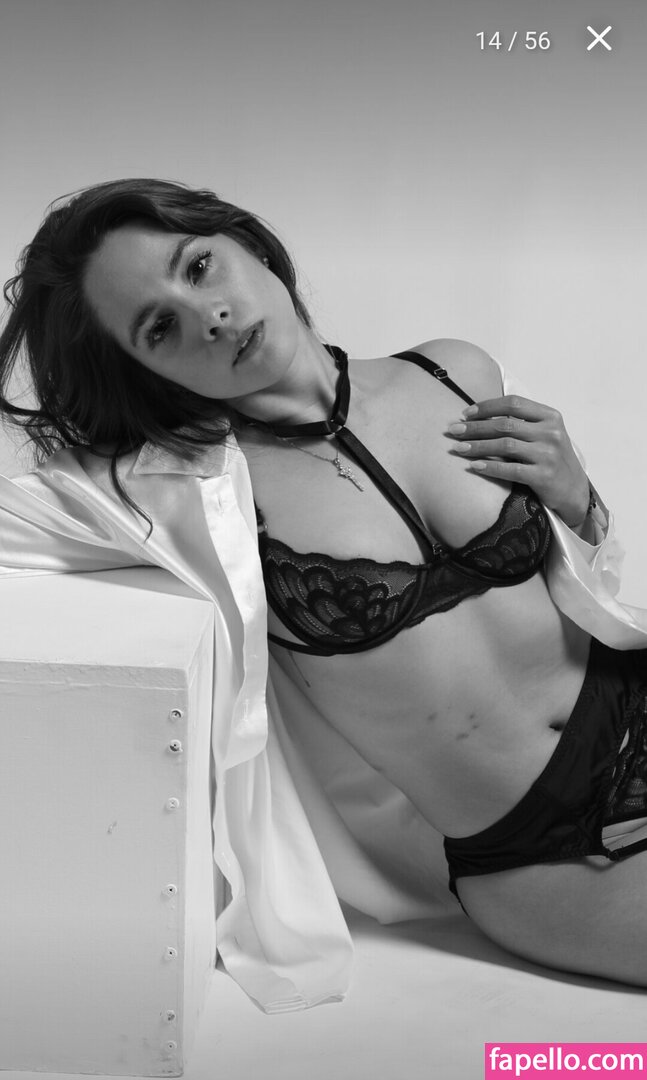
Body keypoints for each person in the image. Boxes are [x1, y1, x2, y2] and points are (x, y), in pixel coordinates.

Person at [1, 178, 647, 1002]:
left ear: (248, 246)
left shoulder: (453, 370)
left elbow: (585, 582)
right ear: (143, 373)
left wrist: (579, 500)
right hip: (545, 853)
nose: (210, 317)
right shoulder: (184, 496)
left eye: (198, 267)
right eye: (159, 327)